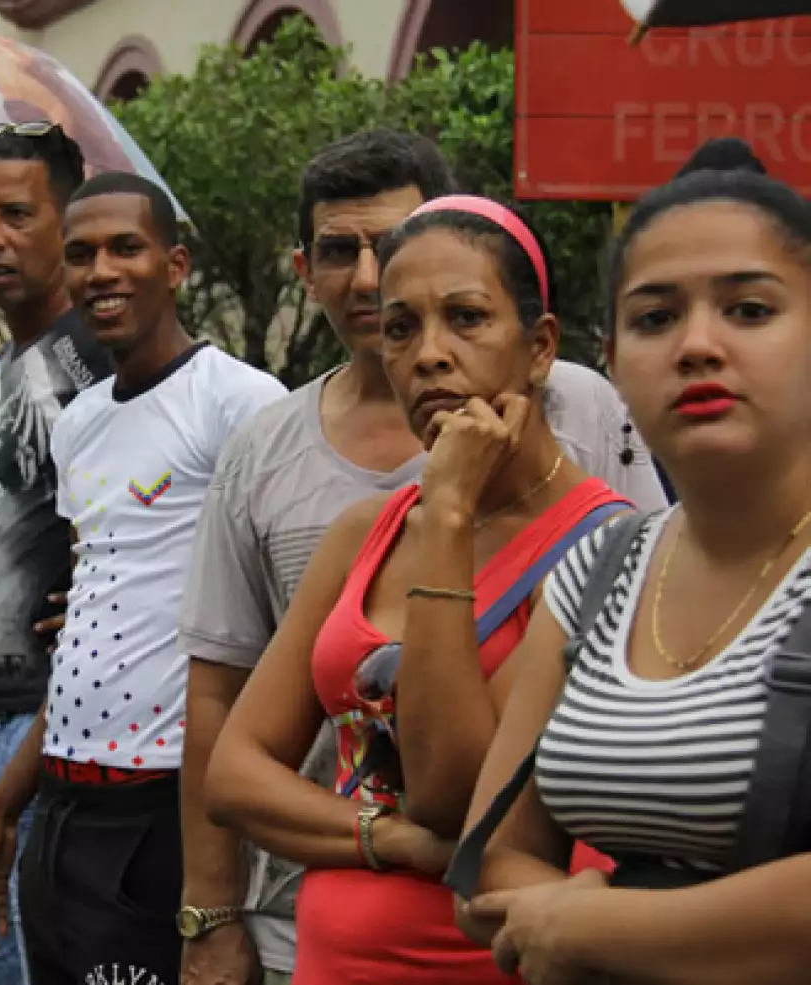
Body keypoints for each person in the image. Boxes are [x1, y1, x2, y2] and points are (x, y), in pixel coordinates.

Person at [177, 129, 667, 985]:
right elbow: (237, 773)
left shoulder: (609, 546)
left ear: (541, 344)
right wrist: (385, 836)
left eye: (466, 318)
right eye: (401, 328)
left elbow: (455, 794)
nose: (428, 353)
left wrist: (446, 512)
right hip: (330, 960)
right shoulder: (364, 532)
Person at [452, 169, 811, 984]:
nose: (697, 345)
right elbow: (486, 866)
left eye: (750, 309)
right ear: (611, 360)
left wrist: (600, 923)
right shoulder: (599, 567)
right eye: (655, 318)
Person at [0, 172, 284, 985]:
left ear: (175, 264)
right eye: (81, 255)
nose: (101, 271)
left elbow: (280, 614)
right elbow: (99, 603)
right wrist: (7, 806)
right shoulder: (79, 423)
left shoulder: (241, 401)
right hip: (68, 803)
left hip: (169, 806)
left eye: (126, 248)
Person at [0, 122, 112, 985]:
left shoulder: (87, 364)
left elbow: (114, 562)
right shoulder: (18, 360)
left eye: (15, 213)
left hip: (39, 738)